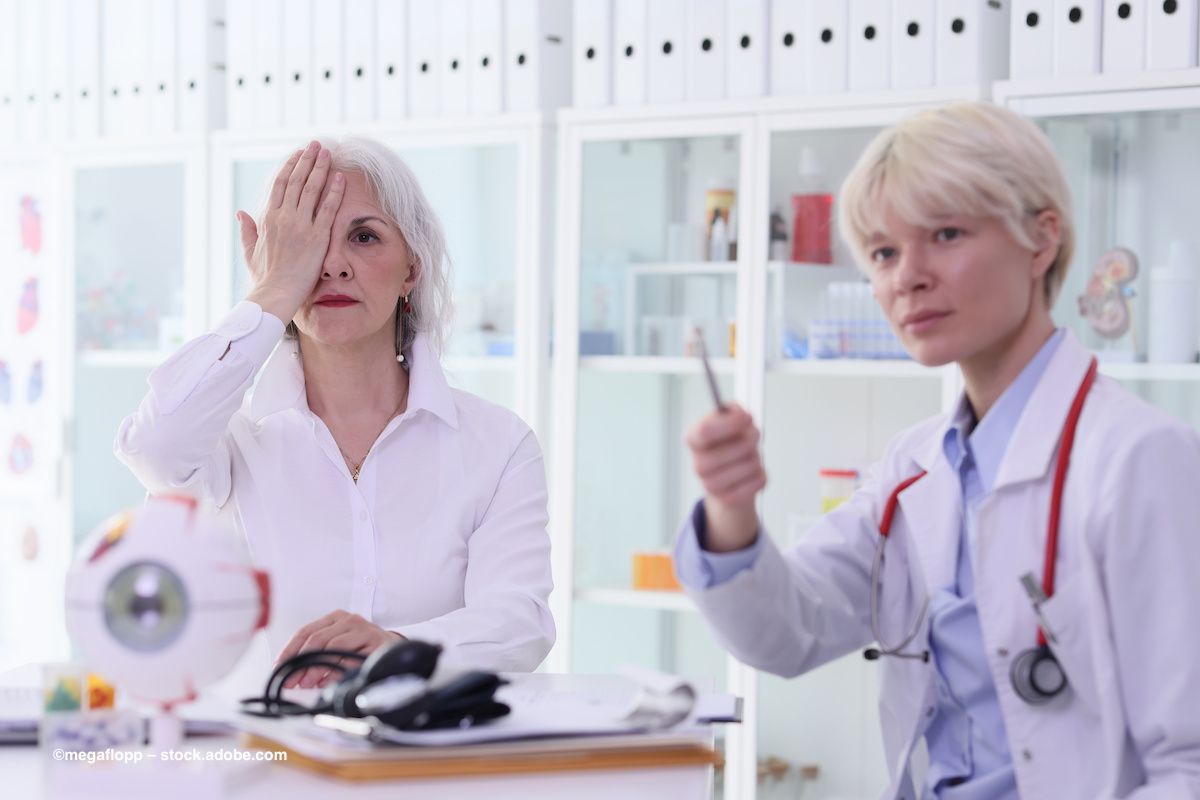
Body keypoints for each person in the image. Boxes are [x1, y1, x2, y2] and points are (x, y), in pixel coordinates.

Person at [675, 103, 1200, 798]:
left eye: (946, 234)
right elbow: (786, 633)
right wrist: (730, 507)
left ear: (1041, 240)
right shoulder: (915, 470)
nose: (907, 278)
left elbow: (1188, 764)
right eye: (885, 253)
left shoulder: (1140, 459)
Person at [116, 138, 554, 689]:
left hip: (422, 763)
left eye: (364, 237)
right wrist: (273, 291)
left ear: (411, 270)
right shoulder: (227, 440)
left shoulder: (498, 444)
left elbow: (521, 623)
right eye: (309, 243)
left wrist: (395, 648)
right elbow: (153, 451)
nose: (332, 266)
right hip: (263, 759)